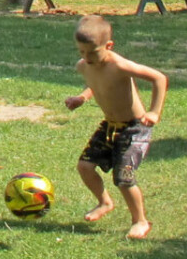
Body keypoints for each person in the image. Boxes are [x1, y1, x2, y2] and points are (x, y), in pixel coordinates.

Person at [63, 13, 168, 239]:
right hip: (110, 125)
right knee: (84, 166)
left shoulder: (120, 65)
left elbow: (159, 78)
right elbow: (98, 84)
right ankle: (104, 202)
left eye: (93, 52)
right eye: (82, 51)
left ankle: (140, 221)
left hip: (134, 127)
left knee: (123, 177)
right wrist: (82, 98)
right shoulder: (84, 66)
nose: (87, 57)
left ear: (109, 46)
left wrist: (154, 112)